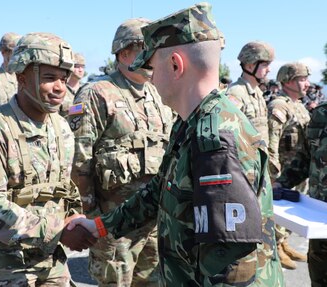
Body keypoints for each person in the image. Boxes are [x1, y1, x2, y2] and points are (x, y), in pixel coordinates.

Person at [68, 2, 284, 286]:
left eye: (151, 67)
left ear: (174, 65)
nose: (150, 78)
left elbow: (233, 269)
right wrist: (99, 224)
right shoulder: (191, 123)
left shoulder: (216, 138)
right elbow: (159, 189)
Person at [0, 32, 97, 286]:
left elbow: (63, 189)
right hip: (1, 263)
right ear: (21, 78)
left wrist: (74, 220)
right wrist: (57, 232)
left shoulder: (61, 129)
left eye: (63, 78)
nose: (60, 87)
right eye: (49, 78)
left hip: (49, 259)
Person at [68, 18, 173, 286]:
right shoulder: (97, 94)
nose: (153, 57)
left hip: (154, 219)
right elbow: (79, 161)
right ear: (124, 52)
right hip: (113, 224)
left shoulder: (159, 95)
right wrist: (90, 216)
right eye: (145, 48)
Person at [275, 102, 327, 286]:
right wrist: (280, 184)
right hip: (317, 220)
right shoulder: (320, 114)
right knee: (319, 278)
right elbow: (304, 160)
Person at [267, 62, 311, 269]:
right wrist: (273, 173)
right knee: (279, 213)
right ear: (288, 81)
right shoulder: (279, 105)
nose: (307, 84)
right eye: (302, 79)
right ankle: (275, 248)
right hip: (283, 170)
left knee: (293, 213)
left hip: (297, 170)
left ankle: (283, 243)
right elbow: (272, 140)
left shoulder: (299, 106)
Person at [226, 41, 275, 144]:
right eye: (265, 65)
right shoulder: (235, 93)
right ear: (250, 66)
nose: (269, 70)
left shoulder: (258, 93)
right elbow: (228, 136)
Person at [59, 53, 85, 117]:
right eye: (77, 66)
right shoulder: (60, 89)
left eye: (83, 67)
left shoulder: (85, 89)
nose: (81, 70)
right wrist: (82, 108)